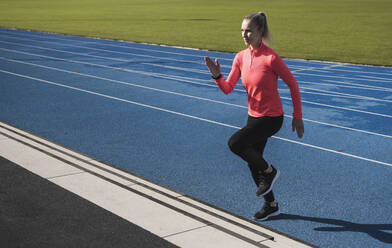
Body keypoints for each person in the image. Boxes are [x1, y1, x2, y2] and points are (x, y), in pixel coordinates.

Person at [204, 12, 304, 221]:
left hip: (272, 118)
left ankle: (270, 172)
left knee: (235, 143)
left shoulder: (271, 58)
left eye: (248, 30)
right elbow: (228, 88)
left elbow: (293, 84)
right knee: (252, 163)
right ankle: (271, 205)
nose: (244, 34)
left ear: (260, 32)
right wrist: (217, 76)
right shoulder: (241, 57)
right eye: (242, 30)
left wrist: (297, 115)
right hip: (253, 117)